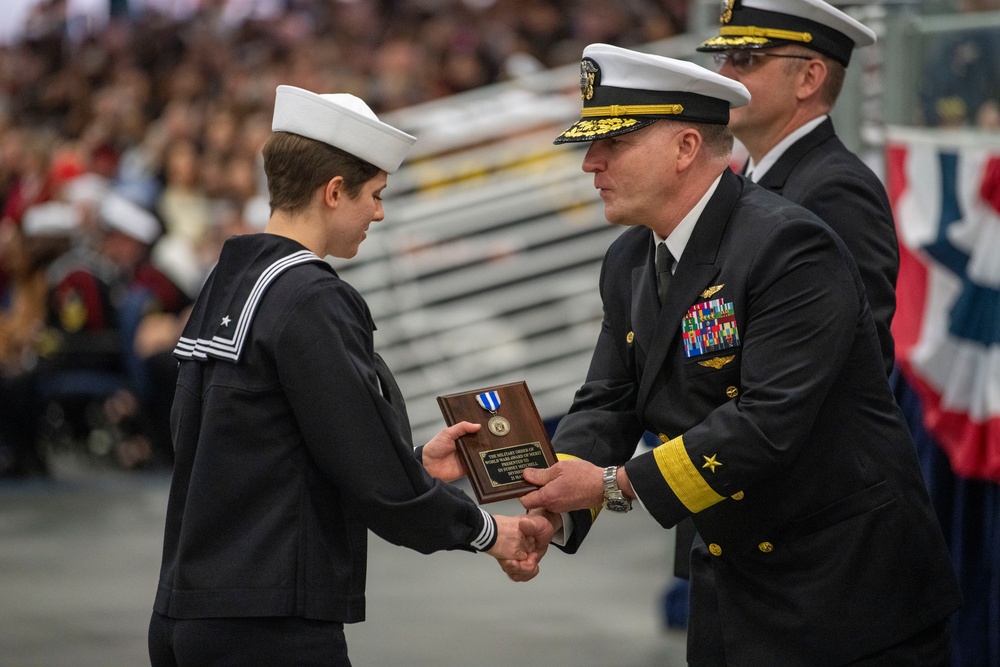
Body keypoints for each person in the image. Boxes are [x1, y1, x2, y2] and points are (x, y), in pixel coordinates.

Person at [512, 43, 962, 666]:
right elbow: (610, 399)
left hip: (842, 587)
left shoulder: (788, 244)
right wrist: (555, 499)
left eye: (613, 143)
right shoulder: (629, 259)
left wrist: (614, 485)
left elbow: (767, 421)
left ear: (685, 147)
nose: (592, 163)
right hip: (730, 578)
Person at [148, 85, 550, 667]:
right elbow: (374, 480)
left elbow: (257, 447)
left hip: (187, 609)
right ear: (334, 192)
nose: (379, 214)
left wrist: (408, 463)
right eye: (375, 195)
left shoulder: (228, 280)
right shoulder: (311, 298)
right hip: (270, 624)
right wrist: (488, 532)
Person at [665, 0, 902, 591]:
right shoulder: (758, 182)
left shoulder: (833, 189)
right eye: (722, 55)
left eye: (746, 58)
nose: (726, 72)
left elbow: (855, 356)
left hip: (806, 521)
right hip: (740, 493)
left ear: (810, 78)